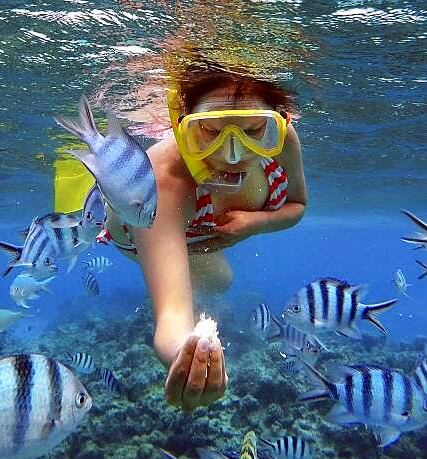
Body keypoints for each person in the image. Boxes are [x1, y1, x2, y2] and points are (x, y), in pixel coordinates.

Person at [99, 63, 308, 411]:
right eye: (210, 131)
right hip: (138, 233)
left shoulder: (282, 138)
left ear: (277, 121)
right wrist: (184, 351)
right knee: (209, 280)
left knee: (222, 281)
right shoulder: (163, 182)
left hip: (205, 237)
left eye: (255, 129)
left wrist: (256, 223)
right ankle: (98, 196)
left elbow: (298, 205)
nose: (233, 154)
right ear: (182, 124)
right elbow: (172, 317)